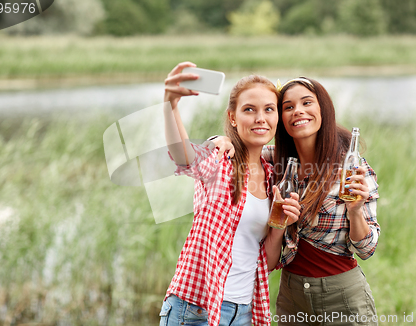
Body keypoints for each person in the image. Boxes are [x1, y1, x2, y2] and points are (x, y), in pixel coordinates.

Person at [211, 77, 380, 326]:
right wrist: (221, 139)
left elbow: (367, 249)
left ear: (323, 110)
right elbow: (239, 147)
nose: (297, 111)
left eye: (306, 103)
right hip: (292, 295)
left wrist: (356, 212)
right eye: (288, 107)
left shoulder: (350, 169)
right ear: (281, 119)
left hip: (341, 294)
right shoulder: (274, 160)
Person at [159, 62, 301, 326]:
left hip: (246, 311)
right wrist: (170, 105)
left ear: (277, 118)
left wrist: (281, 224)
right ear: (233, 118)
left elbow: (266, 263)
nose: (260, 118)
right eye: (249, 110)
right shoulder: (221, 161)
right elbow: (184, 156)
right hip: (197, 309)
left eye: (269, 109)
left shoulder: (273, 177)